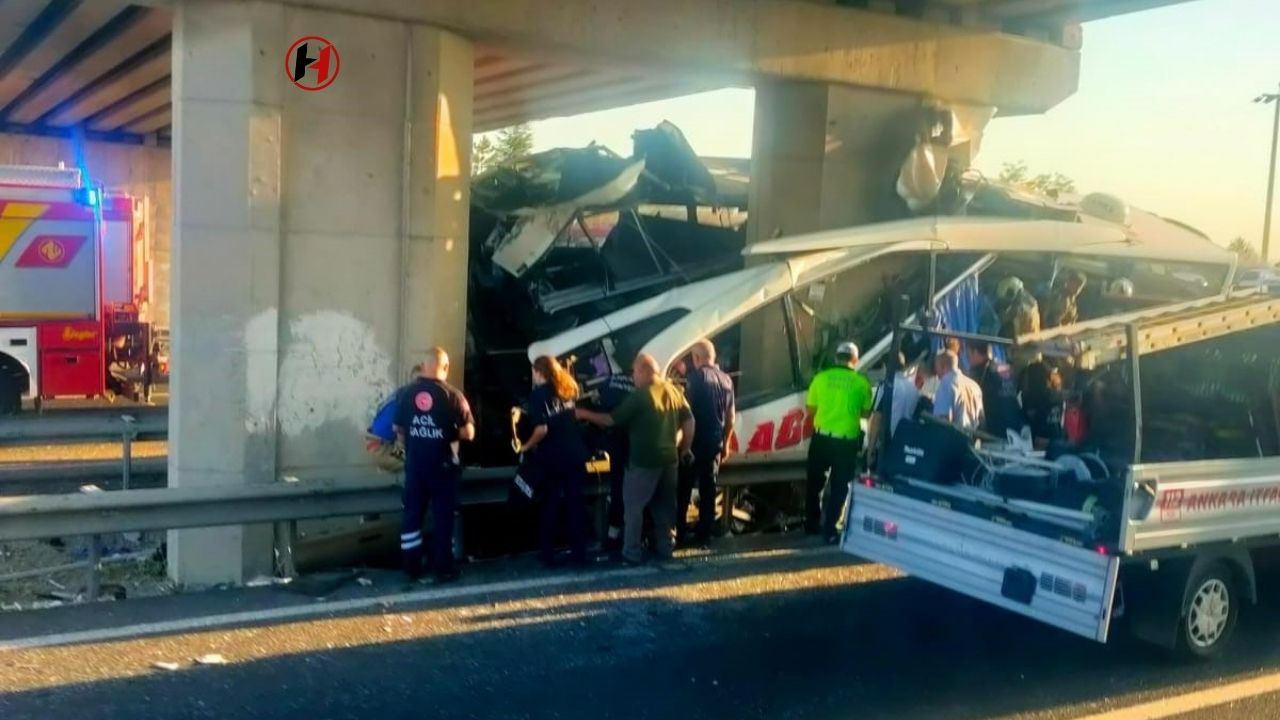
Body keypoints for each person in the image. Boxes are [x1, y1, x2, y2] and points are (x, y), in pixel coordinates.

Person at [576, 353, 694, 565]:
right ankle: (666, 549)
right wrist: (684, 448)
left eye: (634, 373)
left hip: (643, 461)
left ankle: (631, 553)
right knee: (664, 507)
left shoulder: (641, 395)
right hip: (669, 460)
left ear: (643, 371)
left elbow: (611, 420)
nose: (633, 378)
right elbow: (689, 421)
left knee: (633, 508)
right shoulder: (674, 390)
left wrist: (584, 414)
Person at [394, 348, 475, 583]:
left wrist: (414, 439)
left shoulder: (406, 394)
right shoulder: (454, 396)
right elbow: (470, 432)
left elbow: (398, 430)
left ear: (423, 365)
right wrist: (448, 432)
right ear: (446, 367)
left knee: (412, 516)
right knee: (443, 518)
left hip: (416, 466)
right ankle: (443, 568)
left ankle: (411, 566)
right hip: (443, 466)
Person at [520, 356, 590, 567]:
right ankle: (580, 553)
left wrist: (526, 445)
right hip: (576, 455)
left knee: (550, 504)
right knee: (575, 504)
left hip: (552, 457)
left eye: (533, 371)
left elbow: (541, 429)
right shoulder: (567, 390)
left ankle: (548, 554)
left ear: (539, 371)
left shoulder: (538, 395)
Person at [805, 341, 874, 543]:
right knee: (839, 487)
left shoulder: (820, 378)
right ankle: (830, 530)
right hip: (846, 442)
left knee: (815, 483)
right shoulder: (862, 383)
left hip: (821, 439)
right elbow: (866, 412)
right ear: (855, 360)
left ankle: (811, 526)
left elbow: (810, 409)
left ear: (836, 357)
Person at [677, 339, 736, 547]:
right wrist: (727, 443)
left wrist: (683, 444)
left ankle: (680, 534)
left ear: (696, 358)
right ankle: (704, 535)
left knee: (683, 489)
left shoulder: (695, 378)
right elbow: (731, 418)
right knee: (708, 489)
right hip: (715, 443)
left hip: (694, 443)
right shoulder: (727, 380)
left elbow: (685, 414)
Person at [867, 353, 920, 465]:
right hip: (906, 442)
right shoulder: (914, 389)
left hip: (887, 442)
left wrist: (870, 449)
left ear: (887, 366)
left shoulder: (887, 385)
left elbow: (877, 418)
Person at [966, 341, 1023, 440]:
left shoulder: (979, 372)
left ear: (975, 352)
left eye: (968, 354)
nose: (968, 358)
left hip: (994, 429)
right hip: (1015, 426)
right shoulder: (1005, 367)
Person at [932, 349, 983, 432]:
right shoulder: (975, 386)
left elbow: (942, 419)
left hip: (953, 439)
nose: (937, 375)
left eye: (936, 368)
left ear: (943, 367)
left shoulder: (946, 384)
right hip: (971, 439)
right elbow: (981, 419)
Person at [1020, 360, 1065, 450]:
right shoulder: (1055, 395)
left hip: (1039, 441)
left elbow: (1028, 420)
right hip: (1056, 438)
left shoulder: (1028, 398)